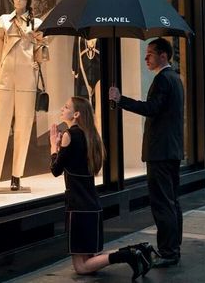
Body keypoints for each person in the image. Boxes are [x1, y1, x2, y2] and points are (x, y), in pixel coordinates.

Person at [49, 96, 148, 280]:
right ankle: (137, 250)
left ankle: (127, 255)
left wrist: (53, 147)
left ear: (76, 114)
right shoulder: (91, 136)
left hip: (78, 208)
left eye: (66, 106)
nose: (62, 108)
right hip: (92, 205)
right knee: (90, 259)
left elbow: (55, 170)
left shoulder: (70, 135)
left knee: (82, 267)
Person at [109, 37, 184, 267]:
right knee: (171, 202)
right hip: (170, 150)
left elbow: (151, 108)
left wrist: (121, 100)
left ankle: (168, 251)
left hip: (160, 152)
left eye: (150, 54)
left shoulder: (163, 79)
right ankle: (172, 249)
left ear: (163, 55)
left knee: (163, 203)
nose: (145, 58)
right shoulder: (175, 79)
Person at [0, 0, 43, 192]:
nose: (18, 1)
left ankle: (16, 174)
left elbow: (42, 49)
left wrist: (38, 61)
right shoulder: (3, 20)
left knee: (23, 126)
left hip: (27, 78)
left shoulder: (37, 23)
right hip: (6, 76)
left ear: (28, 0)